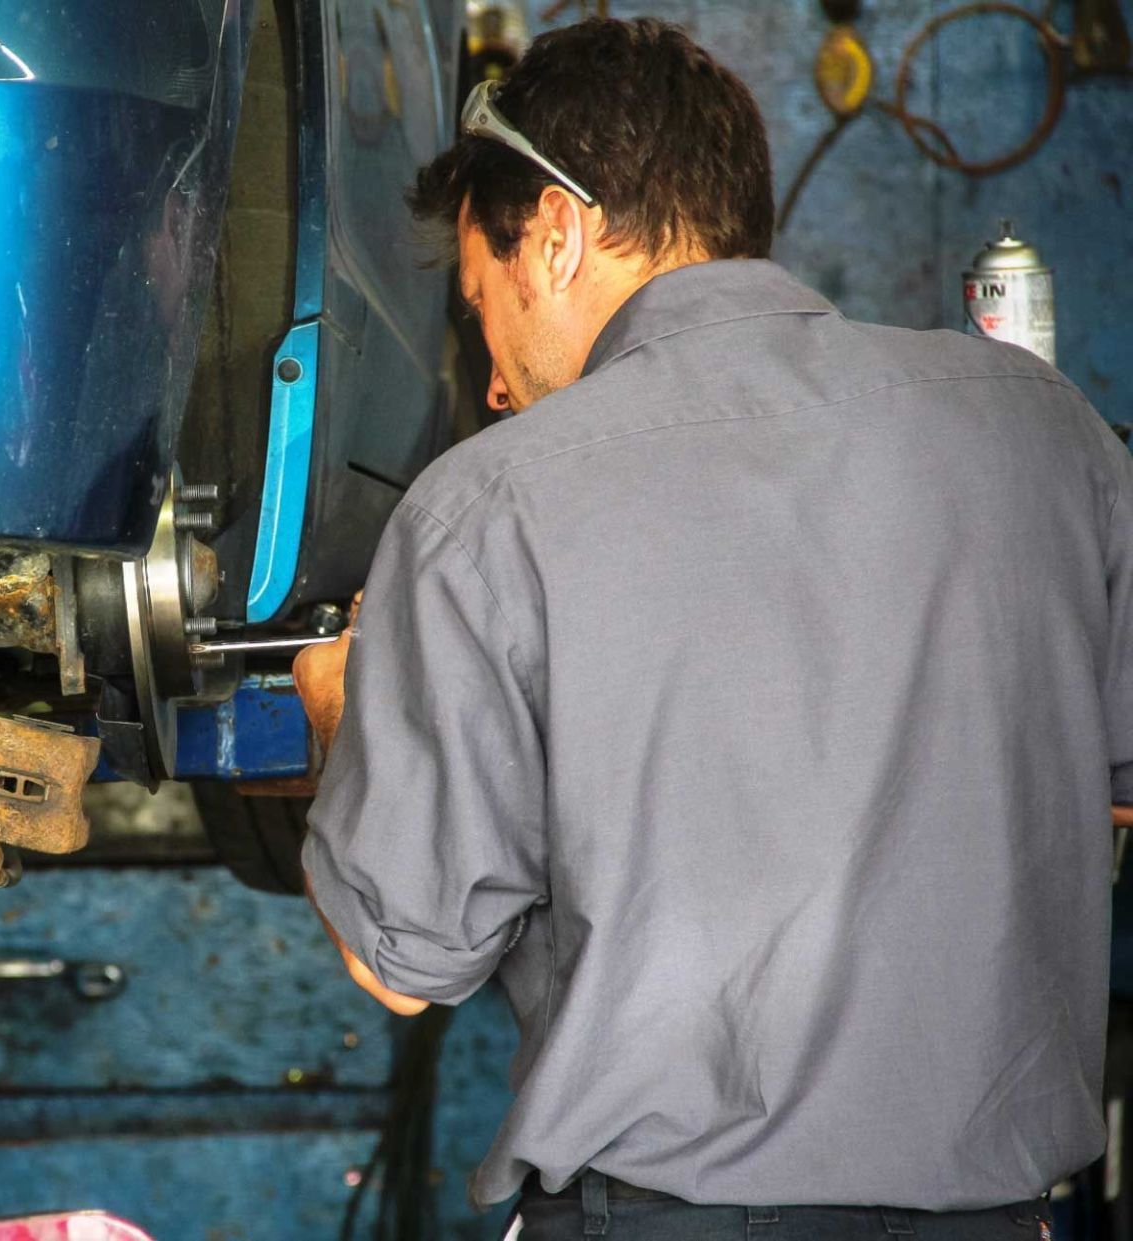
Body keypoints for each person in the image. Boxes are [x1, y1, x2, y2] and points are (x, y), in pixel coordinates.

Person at [294, 16, 1130, 1239]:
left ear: (561, 235)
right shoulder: (1051, 432)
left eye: (481, 308)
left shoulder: (488, 503)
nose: (489, 377)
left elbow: (404, 963)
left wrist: (343, 706)